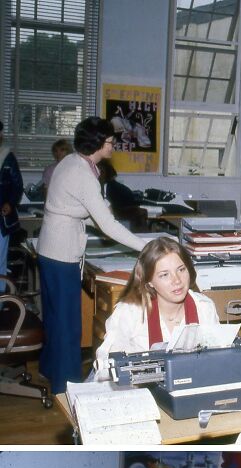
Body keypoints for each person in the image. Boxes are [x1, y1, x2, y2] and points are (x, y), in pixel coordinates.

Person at [37, 116, 147, 394]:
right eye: (111, 142)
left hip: (50, 248)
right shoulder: (84, 175)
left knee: (54, 317)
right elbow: (108, 226)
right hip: (61, 253)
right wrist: (144, 247)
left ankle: (51, 369)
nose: (113, 147)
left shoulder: (71, 162)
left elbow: (68, 207)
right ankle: (67, 387)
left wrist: (97, 216)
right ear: (98, 144)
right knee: (68, 323)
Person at [93, 237, 219, 378]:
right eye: (164, 275)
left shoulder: (204, 308)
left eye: (181, 270)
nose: (177, 280)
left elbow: (216, 360)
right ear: (149, 281)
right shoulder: (131, 311)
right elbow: (105, 366)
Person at [0, 120, 23, 292]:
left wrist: (10, 202)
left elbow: (17, 185)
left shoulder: (7, 157)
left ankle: (0, 302)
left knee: (0, 262)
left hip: (1, 219)